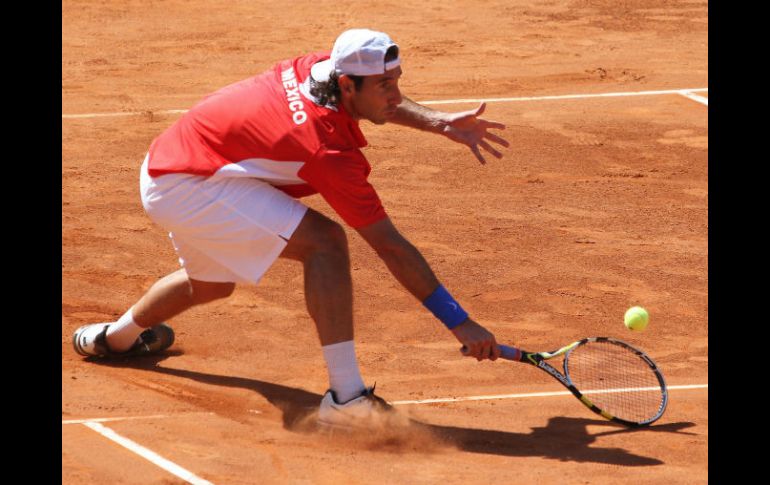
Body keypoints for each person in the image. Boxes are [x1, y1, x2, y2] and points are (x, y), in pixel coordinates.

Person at [72, 28, 510, 429]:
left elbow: (374, 101)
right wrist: (460, 322)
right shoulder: (326, 150)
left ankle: (115, 339)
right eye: (385, 85)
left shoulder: (319, 67)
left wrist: (438, 121)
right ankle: (347, 400)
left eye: (396, 79)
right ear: (346, 84)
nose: (395, 94)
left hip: (176, 161)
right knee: (325, 244)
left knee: (212, 285)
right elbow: (389, 247)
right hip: (189, 183)